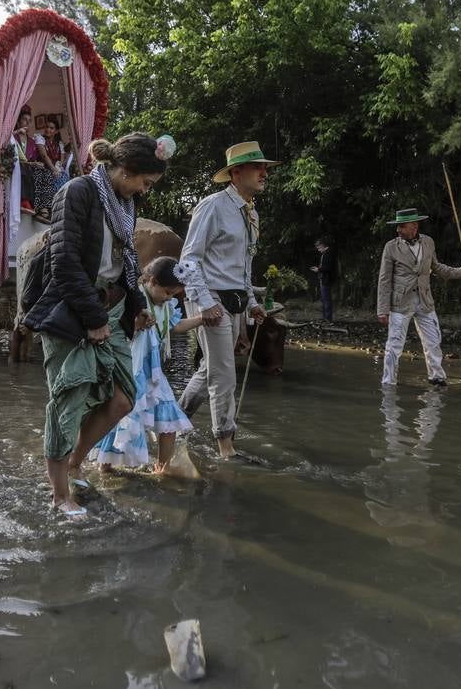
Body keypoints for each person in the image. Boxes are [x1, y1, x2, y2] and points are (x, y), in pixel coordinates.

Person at [22, 132, 173, 517]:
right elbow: (64, 261)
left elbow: (129, 264)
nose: (144, 189)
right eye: (145, 181)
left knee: (124, 397)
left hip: (109, 308)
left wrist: (139, 304)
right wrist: (92, 319)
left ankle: (74, 464)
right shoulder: (78, 192)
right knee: (67, 400)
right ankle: (59, 495)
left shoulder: (125, 204)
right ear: (126, 169)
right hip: (72, 307)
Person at [179, 141, 279, 459]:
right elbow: (188, 259)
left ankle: (173, 422)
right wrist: (206, 302)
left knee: (211, 369)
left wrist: (252, 303)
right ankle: (226, 447)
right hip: (209, 299)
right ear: (236, 173)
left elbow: (244, 266)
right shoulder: (212, 206)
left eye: (265, 168)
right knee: (224, 375)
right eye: (257, 167)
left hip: (234, 300)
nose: (264, 173)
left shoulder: (251, 213)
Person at [93, 256, 206, 474]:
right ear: (151, 282)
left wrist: (201, 319)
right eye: (167, 292)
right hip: (131, 370)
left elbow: (174, 326)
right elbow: (118, 331)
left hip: (154, 375)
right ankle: (104, 465)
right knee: (120, 420)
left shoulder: (165, 305)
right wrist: (136, 324)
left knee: (170, 420)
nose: (169, 298)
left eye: (173, 294)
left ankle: (162, 468)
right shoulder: (136, 301)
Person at [376, 207, 461, 387]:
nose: (398, 230)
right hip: (400, 304)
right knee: (394, 346)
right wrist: (382, 310)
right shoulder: (391, 247)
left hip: (424, 301)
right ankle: (388, 383)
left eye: (401, 226)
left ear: (414, 226)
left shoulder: (428, 242)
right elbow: (384, 280)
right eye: (398, 227)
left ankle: (437, 377)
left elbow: (437, 268)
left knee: (434, 341)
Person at [14, 106, 56, 223]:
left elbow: (36, 158)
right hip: (17, 166)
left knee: (45, 173)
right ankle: (26, 202)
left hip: (29, 167)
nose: (27, 122)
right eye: (24, 120)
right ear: (18, 122)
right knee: (25, 170)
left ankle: (43, 208)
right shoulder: (13, 136)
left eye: (29, 120)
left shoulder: (32, 142)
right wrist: (17, 132)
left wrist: (38, 163)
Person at [310, 237, 338, 322]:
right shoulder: (326, 254)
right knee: (324, 299)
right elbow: (325, 266)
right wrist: (319, 268)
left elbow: (328, 268)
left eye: (319, 248)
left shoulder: (329, 254)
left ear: (323, 246)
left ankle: (328, 319)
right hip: (324, 279)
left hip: (327, 280)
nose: (318, 250)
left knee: (326, 300)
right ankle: (325, 318)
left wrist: (318, 270)